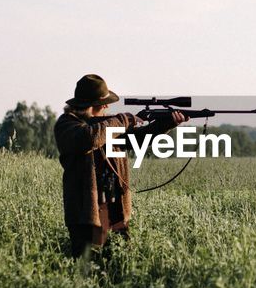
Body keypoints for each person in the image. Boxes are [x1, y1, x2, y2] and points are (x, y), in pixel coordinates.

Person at [53, 74, 187, 258]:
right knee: (87, 267)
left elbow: (138, 139)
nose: (107, 106)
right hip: (86, 214)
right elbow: (89, 138)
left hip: (115, 207)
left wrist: (167, 123)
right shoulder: (67, 124)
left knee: (120, 263)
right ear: (91, 104)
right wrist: (125, 120)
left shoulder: (107, 127)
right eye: (104, 102)